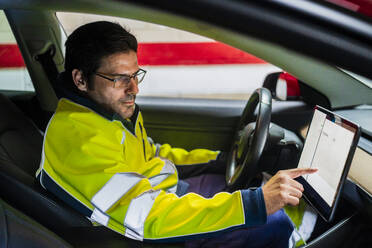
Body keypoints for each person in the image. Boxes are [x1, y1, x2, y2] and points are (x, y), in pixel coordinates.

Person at [36, 21, 317, 247]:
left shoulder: (108, 114)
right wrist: (254, 204)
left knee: (255, 181)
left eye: (136, 75)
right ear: (81, 79)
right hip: (157, 228)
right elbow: (148, 216)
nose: (134, 89)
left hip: (168, 193)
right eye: (120, 79)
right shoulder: (79, 140)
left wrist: (218, 159)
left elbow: (153, 155)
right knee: (276, 222)